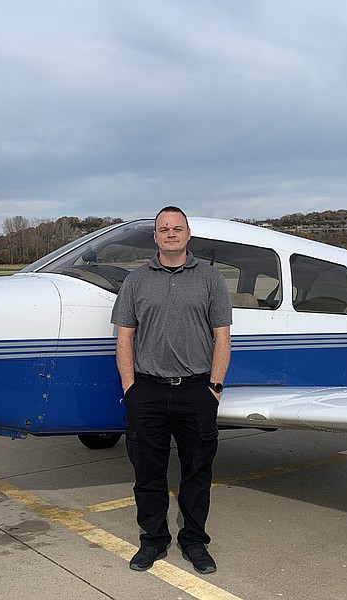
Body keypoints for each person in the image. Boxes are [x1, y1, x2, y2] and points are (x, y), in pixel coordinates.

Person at [111, 206, 232, 575]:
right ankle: (153, 540)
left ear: (188, 234)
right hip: (146, 390)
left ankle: (194, 541)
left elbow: (222, 337)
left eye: (177, 228)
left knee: (197, 473)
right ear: (156, 237)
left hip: (196, 391)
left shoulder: (211, 280)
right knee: (148, 473)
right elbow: (124, 337)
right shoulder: (136, 281)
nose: (170, 233)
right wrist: (130, 387)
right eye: (163, 229)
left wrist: (214, 387)